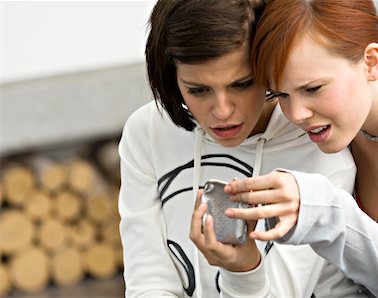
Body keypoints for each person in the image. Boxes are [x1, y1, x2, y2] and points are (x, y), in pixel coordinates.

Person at [118, 0, 364, 297]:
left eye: (242, 84)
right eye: (198, 90)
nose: (222, 111)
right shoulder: (147, 133)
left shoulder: (317, 148)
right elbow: (148, 282)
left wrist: (243, 271)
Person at [223, 0, 378, 297]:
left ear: (371, 61)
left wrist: (325, 213)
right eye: (281, 94)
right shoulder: (320, 129)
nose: (296, 114)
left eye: (313, 89)